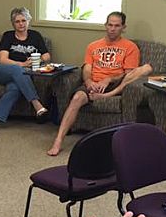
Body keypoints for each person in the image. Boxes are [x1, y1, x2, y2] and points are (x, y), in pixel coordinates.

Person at [47, 12, 153, 156]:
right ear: (105, 25)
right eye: (110, 25)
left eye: (117, 26)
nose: (112, 29)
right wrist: (89, 81)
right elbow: (87, 68)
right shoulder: (93, 46)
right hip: (94, 82)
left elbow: (128, 74)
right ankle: (58, 141)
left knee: (142, 70)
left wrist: (109, 79)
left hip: (115, 84)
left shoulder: (130, 47)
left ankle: (106, 95)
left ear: (123, 27)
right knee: (77, 98)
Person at [0, 7, 50, 134]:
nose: (21, 24)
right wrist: (22, 64)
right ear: (13, 23)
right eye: (17, 21)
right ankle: (37, 106)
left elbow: (47, 56)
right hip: (0, 71)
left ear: (28, 21)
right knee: (16, 68)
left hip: (20, 75)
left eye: (23, 20)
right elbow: (2, 59)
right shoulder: (8, 36)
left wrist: (37, 59)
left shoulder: (35, 36)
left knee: (14, 88)